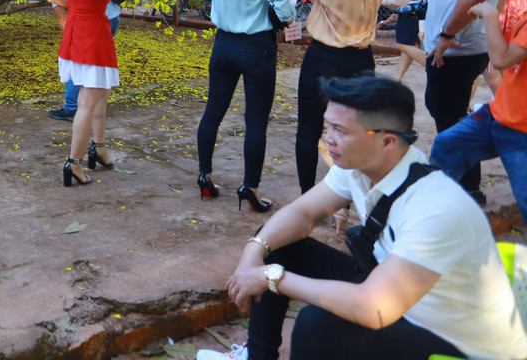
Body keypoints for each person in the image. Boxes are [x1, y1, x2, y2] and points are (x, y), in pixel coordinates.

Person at [198, 75, 526, 360]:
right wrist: (254, 251)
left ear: (387, 141)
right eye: (328, 126)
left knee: (316, 326)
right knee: (277, 243)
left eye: (340, 130)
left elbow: (374, 308)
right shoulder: (360, 167)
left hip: (454, 338)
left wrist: (272, 278)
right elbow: (303, 213)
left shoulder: (435, 207)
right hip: (398, 294)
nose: (328, 138)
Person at [281, 0, 393, 193]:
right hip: (361, 61)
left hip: (322, 58)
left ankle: (308, 195)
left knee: (309, 129)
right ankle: (348, 197)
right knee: (357, 131)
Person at [197, 0, 294, 210]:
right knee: (255, 122)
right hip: (257, 48)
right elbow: (285, 12)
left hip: (223, 45)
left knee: (213, 112)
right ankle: (250, 188)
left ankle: (205, 176)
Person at [48, 0, 157, 186]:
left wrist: (77, 9)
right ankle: (73, 163)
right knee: (87, 103)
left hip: (74, 35)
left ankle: (99, 148)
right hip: (94, 37)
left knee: (100, 95)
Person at [422, 0, 508, 202]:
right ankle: (467, 185)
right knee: (449, 111)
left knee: (448, 118)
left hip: (454, 51)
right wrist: (485, 26)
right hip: (471, 47)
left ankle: (464, 189)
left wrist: (446, 35)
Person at [431, 0, 527, 219]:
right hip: (497, 116)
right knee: (447, 144)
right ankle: (435, 210)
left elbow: (501, 59)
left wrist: (489, 15)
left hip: (521, 130)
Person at [33, 0, 125, 122]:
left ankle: (72, 108)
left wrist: (71, 41)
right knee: (93, 63)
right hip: (110, 17)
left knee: (74, 61)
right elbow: (75, 3)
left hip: (96, 22)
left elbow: (63, 18)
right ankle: (92, 103)